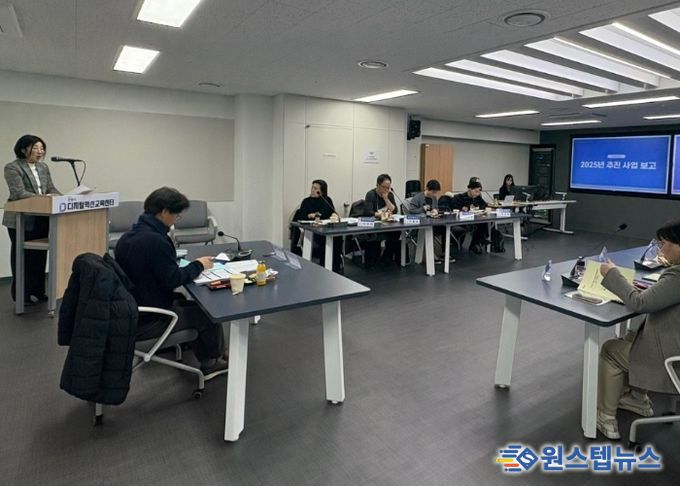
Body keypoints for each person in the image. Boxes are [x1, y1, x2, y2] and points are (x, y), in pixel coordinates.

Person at [115, 187, 227, 375]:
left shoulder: (128, 237)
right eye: (177, 215)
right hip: (150, 320)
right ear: (165, 212)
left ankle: (201, 348)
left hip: (132, 311)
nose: (177, 219)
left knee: (186, 303)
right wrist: (199, 265)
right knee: (207, 314)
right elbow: (173, 280)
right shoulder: (155, 241)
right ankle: (212, 362)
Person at [596, 220, 680, 440]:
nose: (661, 250)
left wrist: (612, 274)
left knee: (611, 350)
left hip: (673, 363)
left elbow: (639, 303)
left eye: (664, 244)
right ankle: (637, 399)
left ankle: (605, 418)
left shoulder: (677, 276)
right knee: (633, 336)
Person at [3, 134, 61, 304]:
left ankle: (38, 291)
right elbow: (19, 193)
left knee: (39, 256)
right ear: (23, 149)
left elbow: (51, 188)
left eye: (42, 148)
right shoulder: (12, 167)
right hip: (21, 218)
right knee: (22, 257)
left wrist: (62, 198)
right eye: (35, 148)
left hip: (41, 217)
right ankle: (21, 295)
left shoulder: (43, 167)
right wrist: (46, 198)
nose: (40, 151)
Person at [292, 179, 343, 272]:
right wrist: (310, 216)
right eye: (312, 188)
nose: (312, 190)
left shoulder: (327, 200)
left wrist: (334, 215)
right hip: (312, 230)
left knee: (337, 237)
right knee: (323, 238)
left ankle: (335, 266)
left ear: (321, 191)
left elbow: (331, 212)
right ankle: (323, 265)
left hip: (326, 228)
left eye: (315, 188)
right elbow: (302, 216)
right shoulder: (306, 201)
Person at [407, 180, 454, 264]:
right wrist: (422, 209)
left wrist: (435, 211)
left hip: (432, 222)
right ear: (427, 188)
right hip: (421, 225)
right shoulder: (417, 198)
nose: (434, 194)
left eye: (435, 192)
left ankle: (444, 253)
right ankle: (432, 255)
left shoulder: (434, 198)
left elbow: (436, 208)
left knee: (444, 229)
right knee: (430, 231)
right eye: (433, 192)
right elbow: (411, 211)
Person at [363, 174, 400, 266]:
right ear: (377, 185)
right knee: (373, 238)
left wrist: (386, 198)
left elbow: (394, 210)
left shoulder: (389, 194)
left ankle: (387, 257)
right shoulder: (371, 194)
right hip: (374, 224)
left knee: (396, 232)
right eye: (384, 187)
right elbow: (368, 212)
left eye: (388, 187)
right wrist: (381, 214)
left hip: (387, 224)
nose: (386, 190)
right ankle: (373, 260)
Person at [450, 177, 489, 254]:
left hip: (475, 219)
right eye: (475, 191)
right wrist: (462, 209)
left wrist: (481, 208)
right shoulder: (460, 197)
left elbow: (484, 205)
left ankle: (476, 243)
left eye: (479, 192)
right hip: (462, 221)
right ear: (470, 189)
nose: (477, 194)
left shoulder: (478, 198)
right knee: (481, 225)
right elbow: (455, 210)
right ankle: (478, 242)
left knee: (484, 222)